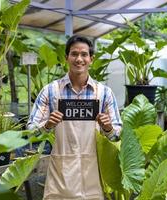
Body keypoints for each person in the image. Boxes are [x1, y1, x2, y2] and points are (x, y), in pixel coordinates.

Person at [27, 35, 122, 200]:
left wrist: (108, 128)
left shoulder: (104, 93)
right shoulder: (50, 91)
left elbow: (116, 135)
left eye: (84, 54)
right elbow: (31, 131)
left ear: (91, 59)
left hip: (93, 174)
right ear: (66, 58)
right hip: (60, 175)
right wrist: (47, 125)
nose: (79, 59)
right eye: (74, 54)